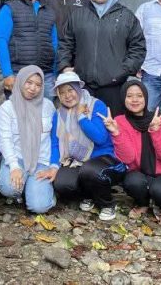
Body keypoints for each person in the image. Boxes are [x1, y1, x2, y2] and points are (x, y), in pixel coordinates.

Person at [58, 0, 146, 116]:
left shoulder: (126, 16)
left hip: (115, 87)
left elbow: (138, 48)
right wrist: (65, 66)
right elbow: (65, 43)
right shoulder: (78, 14)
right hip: (83, 85)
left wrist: (123, 71)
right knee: (84, 124)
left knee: (112, 125)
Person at [43, 72, 125, 221]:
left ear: (78, 89)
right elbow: (55, 143)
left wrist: (81, 117)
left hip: (102, 156)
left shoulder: (96, 105)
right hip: (75, 159)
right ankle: (88, 195)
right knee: (62, 184)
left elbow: (100, 138)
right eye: (62, 92)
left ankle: (107, 204)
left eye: (70, 90)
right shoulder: (59, 114)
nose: (67, 96)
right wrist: (54, 165)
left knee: (89, 170)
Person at [105, 79, 161, 224]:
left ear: (146, 97)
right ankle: (143, 203)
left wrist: (155, 131)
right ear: (123, 98)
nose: (135, 100)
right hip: (137, 171)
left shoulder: (160, 120)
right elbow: (128, 158)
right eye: (129, 96)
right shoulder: (120, 121)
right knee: (133, 183)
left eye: (139, 95)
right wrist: (116, 133)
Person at [0, 65, 57, 215]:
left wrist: (53, 166)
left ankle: (44, 193)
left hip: (41, 161)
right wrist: (14, 166)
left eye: (38, 85)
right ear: (21, 81)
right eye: (29, 82)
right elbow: (5, 139)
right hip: (18, 158)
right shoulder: (7, 107)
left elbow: (55, 138)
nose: (33, 88)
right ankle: (25, 190)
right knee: (9, 187)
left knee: (39, 207)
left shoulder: (48, 106)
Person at [0, 0, 58, 100]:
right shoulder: (9, 8)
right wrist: (7, 74)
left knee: (46, 112)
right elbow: (1, 41)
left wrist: (55, 72)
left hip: (46, 75)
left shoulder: (49, 11)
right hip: (19, 73)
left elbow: (54, 43)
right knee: (19, 112)